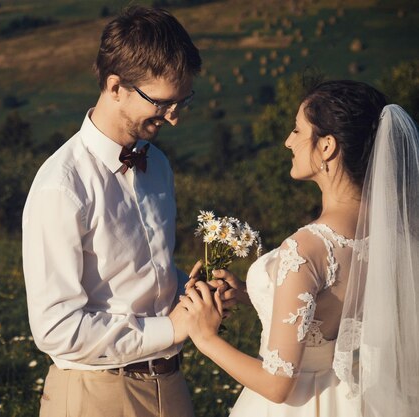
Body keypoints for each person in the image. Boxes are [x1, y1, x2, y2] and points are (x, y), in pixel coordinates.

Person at [22, 6, 224, 417]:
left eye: (183, 101)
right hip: (95, 393)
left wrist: (196, 293)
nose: (175, 117)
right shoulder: (62, 186)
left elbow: (143, 277)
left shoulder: (158, 165)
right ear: (116, 87)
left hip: (171, 385)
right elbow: (56, 328)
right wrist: (171, 328)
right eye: (164, 103)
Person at [178, 80, 419, 416]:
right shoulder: (398, 237)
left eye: (297, 130)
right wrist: (253, 296)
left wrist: (204, 337)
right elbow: (337, 311)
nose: (287, 141)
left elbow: (277, 386)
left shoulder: (307, 248)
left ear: (327, 147)